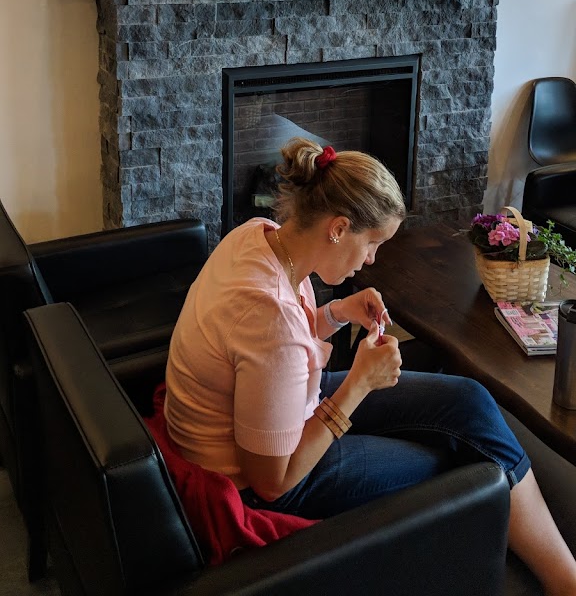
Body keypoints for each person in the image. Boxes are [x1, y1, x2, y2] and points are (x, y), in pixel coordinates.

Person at [165, 137, 576, 596]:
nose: (372, 259)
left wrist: (337, 312)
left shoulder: (259, 236)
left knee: (468, 399)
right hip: (266, 478)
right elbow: (273, 483)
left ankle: (562, 574)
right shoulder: (268, 316)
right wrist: (360, 383)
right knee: (450, 462)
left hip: (281, 418)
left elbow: (274, 354)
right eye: (373, 243)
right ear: (338, 228)